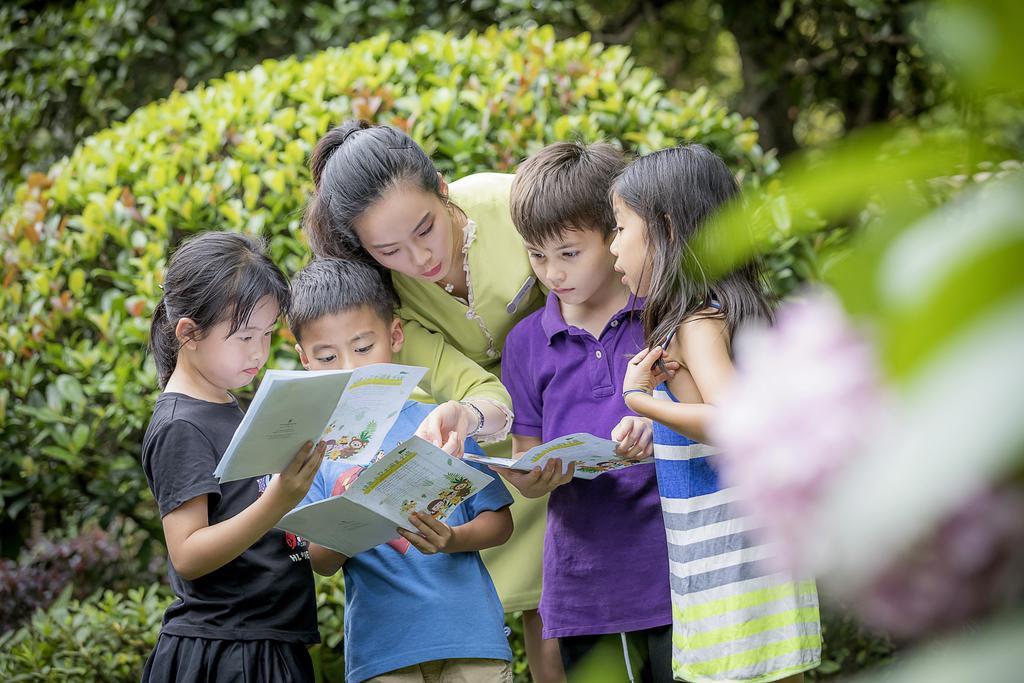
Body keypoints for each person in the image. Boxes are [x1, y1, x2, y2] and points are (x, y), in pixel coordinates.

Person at [302, 120, 559, 680]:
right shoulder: (387, 293)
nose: (419, 259)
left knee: (556, 604)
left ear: (443, 188)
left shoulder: (510, 203)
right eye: (389, 249)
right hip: (460, 424)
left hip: (554, 403)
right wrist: (467, 417)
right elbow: (461, 386)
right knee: (498, 602)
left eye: (425, 230)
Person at [610, 144, 823, 682]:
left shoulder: (697, 319)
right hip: (748, 545)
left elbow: (733, 421)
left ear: (666, 230)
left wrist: (638, 400)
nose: (613, 249)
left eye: (619, 228)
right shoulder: (721, 310)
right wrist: (658, 408)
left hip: (731, 556)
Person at [287, 257, 515, 683]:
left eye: (362, 348)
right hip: (383, 651)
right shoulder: (313, 449)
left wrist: (452, 540)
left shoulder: (440, 423)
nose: (350, 369)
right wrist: (350, 514)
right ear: (303, 359)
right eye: (326, 356)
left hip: (469, 636)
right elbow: (320, 561)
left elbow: (499, 521)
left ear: (394, 335)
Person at [500, 141, 674, 682]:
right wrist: (534, 477)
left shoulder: (664, 313)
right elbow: (525, 467)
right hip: (585, 582)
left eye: (569, 253)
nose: (552, 273)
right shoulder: (526, 342)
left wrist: (658, 418)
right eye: (536, 255)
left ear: (615, 234)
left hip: (672, 566)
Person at [140, 232, 326, 682]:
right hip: (228, 651)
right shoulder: (180, 424)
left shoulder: (230, 406)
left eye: (265, 334)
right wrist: (279, 501)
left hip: (269, 639)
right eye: (243, 336)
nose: (258, 352)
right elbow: (187, 553)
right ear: (189, 332)